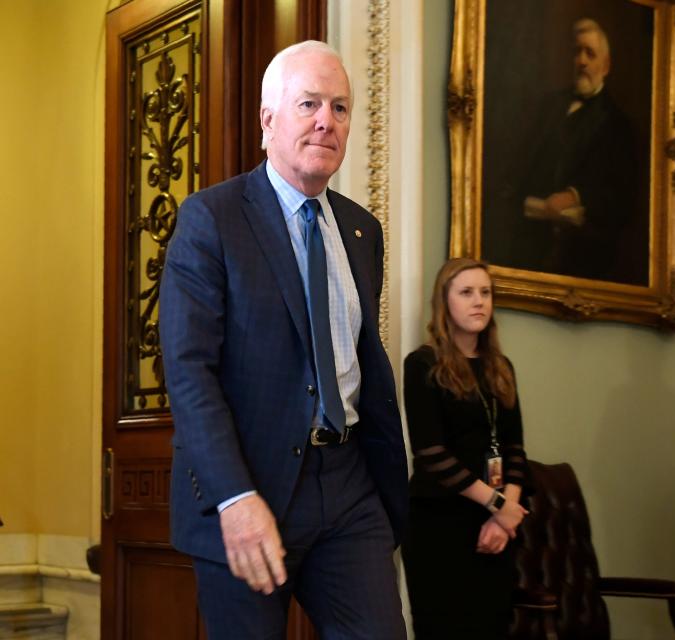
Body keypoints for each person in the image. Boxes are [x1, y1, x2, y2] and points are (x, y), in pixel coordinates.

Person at [159, 40, 407, 639]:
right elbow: (190, 373)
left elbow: (356, 361)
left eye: (341, 107)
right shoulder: (210, 219)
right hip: (250, 483)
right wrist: (233, 497)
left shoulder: (361, 230)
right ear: (268, 120)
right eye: (309, 103)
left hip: (348, 485)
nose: (327, 120)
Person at [402, 258, 530, 639]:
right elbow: (432, 454)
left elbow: (516, 449)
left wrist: (506, 513)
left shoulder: (500, 366)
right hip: (440, 524)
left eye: (486, 293)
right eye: (466, 292)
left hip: (496, 526)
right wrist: (499, 506)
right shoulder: (423, 364)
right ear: (445, 302)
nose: (479, 302)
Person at [493, 18, 642, 282]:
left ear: (605, 66)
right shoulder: (547, 106)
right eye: (577, 52)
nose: (582, 61)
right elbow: (517, 167)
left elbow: (621, 196)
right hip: (528, 245)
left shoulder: (618, 125)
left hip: (582, 256)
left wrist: (575, 195)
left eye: (590, 53)